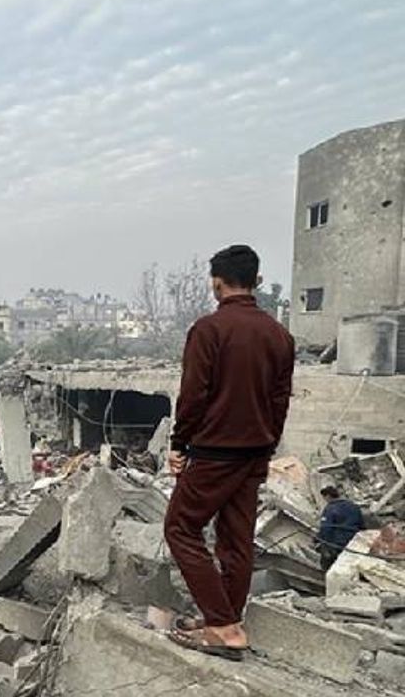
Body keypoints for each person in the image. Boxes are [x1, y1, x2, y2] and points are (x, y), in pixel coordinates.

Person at [163, 245, 295, 661]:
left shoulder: (209, 330)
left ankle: (221, 626)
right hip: (255, 452)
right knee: (237, 540)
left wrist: (179, 444)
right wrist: (267, 446)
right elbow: (280, 401)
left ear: (216, 283)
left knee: (180, 529)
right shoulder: (279, 335)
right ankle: (228, 621)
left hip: (215, 452)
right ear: (257, 281)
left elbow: (193, 396)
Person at [317, 486, 365, 570]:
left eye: (324, 497)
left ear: (328, 496)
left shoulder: (330, 508)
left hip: (338, 543)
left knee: (326, 559)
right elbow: (362, 525)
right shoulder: (354, 506)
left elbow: (326, 528)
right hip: (354, 541)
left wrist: (320, 540)